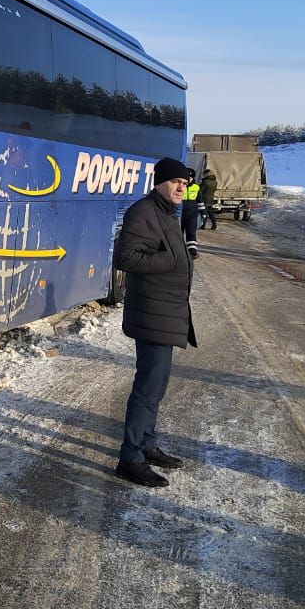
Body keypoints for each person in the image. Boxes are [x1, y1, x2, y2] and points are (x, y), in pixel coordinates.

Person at [113, 157, 198, 488]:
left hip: (166, 312)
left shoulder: (167, 213)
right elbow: (126, 257)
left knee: (157, 387)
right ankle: (130, 458)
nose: (181, 187)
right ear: (159, 183)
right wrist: (174, 259)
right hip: (152, 314)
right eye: (175, 181)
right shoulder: (142, 213)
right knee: (147, 389)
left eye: (185, 183)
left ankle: (146, 443)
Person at [182, 176, 201, 257]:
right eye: (188, 177)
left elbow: (200, 201)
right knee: (178, 232)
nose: (189, 179)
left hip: (192, 214)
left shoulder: (196, 187)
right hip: (180, 213)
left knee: (191, 233)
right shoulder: (180, 185)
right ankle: (178, 250)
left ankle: (192, 251)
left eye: (191, 177)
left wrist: (203, 213)